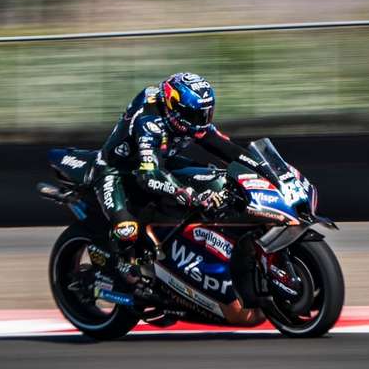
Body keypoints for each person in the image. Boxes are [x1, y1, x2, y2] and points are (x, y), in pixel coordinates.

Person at [95, 71, 256, 280]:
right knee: (127, 230)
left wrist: (263, 166)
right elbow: (149, 176)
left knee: (212, 177)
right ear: (173, 105)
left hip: (160, 161)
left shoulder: (186, 119)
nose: (202, 121)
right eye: (196, 115)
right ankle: (122, 272)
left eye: (207, 113)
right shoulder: (149, 122)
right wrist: (184, 192)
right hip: (116, 171)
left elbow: (226, 148)